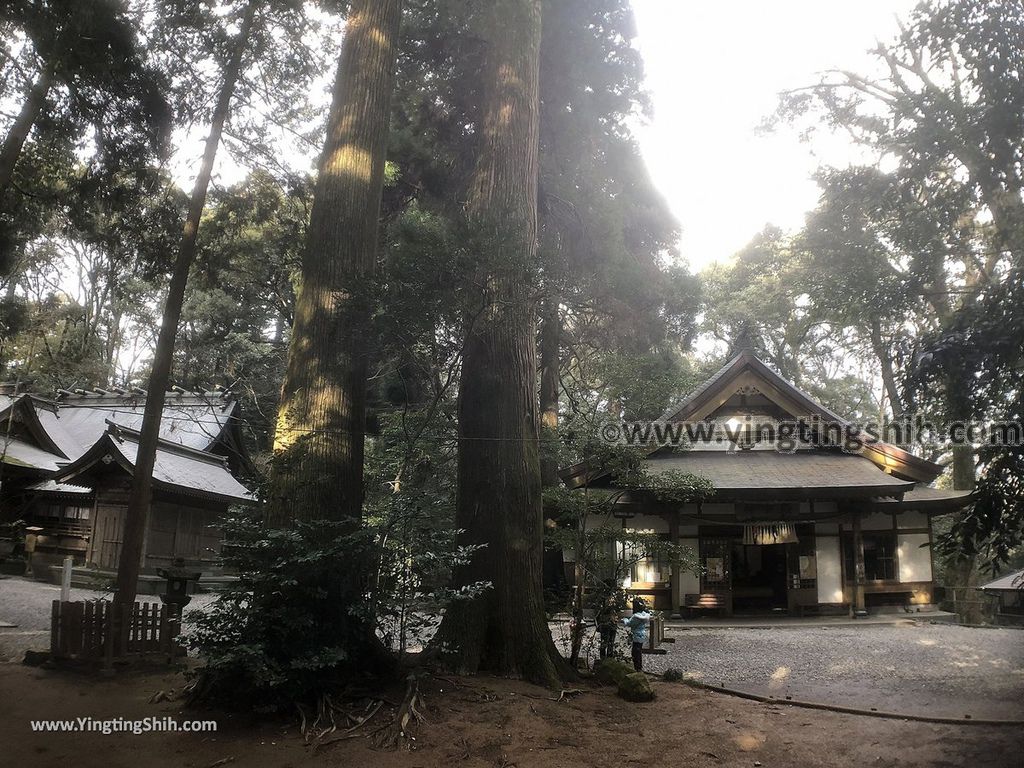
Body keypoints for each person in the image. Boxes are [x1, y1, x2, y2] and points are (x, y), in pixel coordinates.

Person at [622, 597, 651, 671]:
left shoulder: (636, 617)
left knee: (635, 652)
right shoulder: (644, 615)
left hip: (636, 635)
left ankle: (637, 668)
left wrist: (624, 620)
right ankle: (639, 667)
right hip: (642, 633)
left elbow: (630, 624)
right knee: (639, 651)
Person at [595, 594, 619, 659]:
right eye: (609, 600)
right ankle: (603, 658)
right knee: (604, 643)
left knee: (611, 643)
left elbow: (616, 617)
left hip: (612, 627)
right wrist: (599, 626)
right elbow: (597, 618)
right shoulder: (602, 609)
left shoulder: (614, 609)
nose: (611, 601)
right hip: (605, 627)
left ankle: (609, 658)